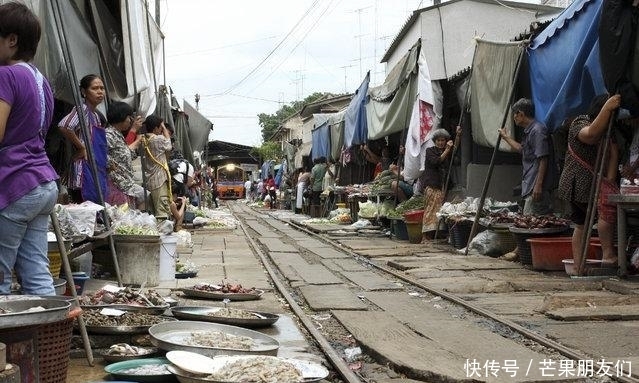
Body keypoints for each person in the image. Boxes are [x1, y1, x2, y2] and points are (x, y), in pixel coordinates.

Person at [0, 2, 59, 295]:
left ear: (11, 40)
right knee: (36, 271)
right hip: (43, 182)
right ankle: (46, 340)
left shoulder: (6, 76)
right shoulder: (40, 80)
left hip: (16, 185)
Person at [558, 94, 621, 273]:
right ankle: (579, 266)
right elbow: (591, 135)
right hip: (577, 184)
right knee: (582, 224)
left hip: (595, 185)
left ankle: (592, 262)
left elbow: (611, 162)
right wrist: (608, 107)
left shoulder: (610, 132)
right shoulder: (580, 122)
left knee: (591, 221)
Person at [499, 98, 557, 215]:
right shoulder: (530, 131)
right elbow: (522, 149)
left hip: (536, 187)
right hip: (530, 185)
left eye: (515, 115)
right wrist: (505, 137)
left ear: (521, 114)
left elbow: (543, 159)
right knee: (530, 221)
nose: (514, 118)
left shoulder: (537, 130)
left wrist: (538, 185)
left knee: (532, 223)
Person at [58, 74, 107, 204]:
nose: (100, 91)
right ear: (84, 92)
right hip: (83, 170)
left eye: (102, 88)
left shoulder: (95, 116)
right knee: (85, 209)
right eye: (95, 88)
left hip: (93, 167)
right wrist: (81, 147)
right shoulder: (82, 109)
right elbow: (64, 126)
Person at [421, 127, 461, 242]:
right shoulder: (430, 151)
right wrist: (447, 150)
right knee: (431, 209)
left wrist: (457, 136)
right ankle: (425, 236)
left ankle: (436, 233)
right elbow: (436, 161)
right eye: (438, 140)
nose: (440, 142)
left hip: (443, 185)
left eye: (443, 140)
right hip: (432, 185)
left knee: (440, 210)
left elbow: (455, 149)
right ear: (435, 141)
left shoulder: (447, 151)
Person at [104, 101, 145, 209]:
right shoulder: (108, 135)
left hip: (125, 182)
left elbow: (124, 153)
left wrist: (137, 142)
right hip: (117, 184)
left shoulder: (118, 135)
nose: (130, 120)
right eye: (129, 117)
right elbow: (101, 154)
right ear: (122, 117)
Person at [140, 115, 172, 220]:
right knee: (162, 212)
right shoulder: (158, 139)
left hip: (148, 180)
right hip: (159, 180)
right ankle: (163, 234)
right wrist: (163, 126)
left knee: (152, 213)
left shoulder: (142, 140)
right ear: (155, 128)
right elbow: (169, 145)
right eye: (160, 128)